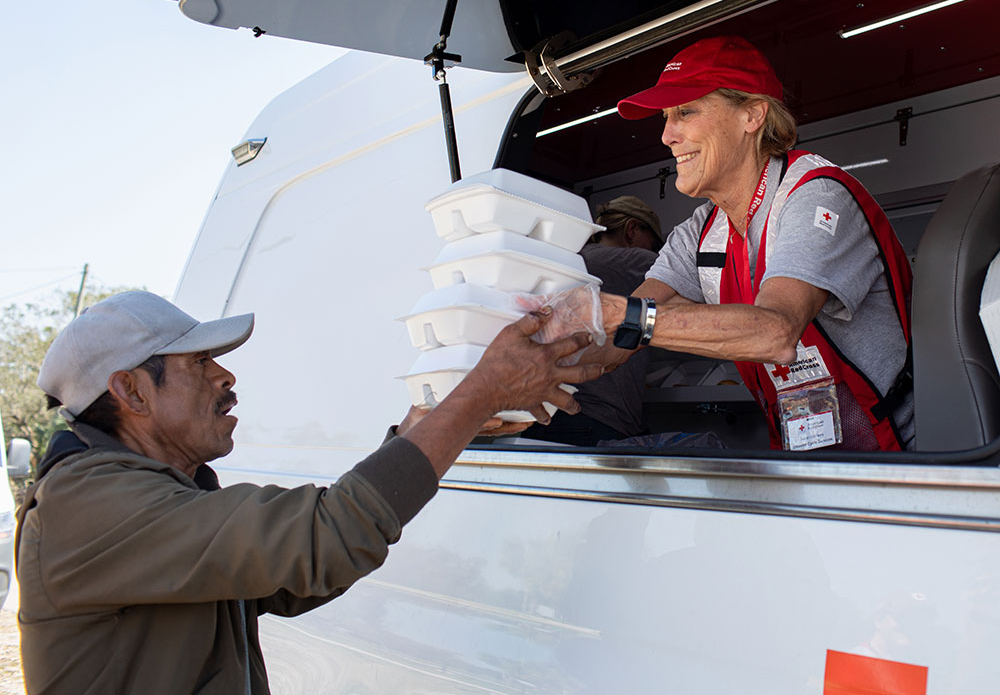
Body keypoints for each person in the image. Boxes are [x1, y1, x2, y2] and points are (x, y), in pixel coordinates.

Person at [16, 290, 600, 694]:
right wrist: (477, 395)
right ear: (132, 392)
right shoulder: (88, 505)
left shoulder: (156, 490)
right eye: (200, 363)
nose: (226, 376)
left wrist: (432, 424)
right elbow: (324, 538)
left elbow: (292, 576)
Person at [600, 35, 913, 451]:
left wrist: (623, 317)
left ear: (752, 115)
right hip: (803, 461)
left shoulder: (814, 195)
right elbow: (618, 338)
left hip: (901, 461)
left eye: (685, 112)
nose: (666, 136)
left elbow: (776, 333)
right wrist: (522, 374)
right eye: (665, 117)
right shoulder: (702, 227)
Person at [523, 196, 664, 445]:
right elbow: (697, 283)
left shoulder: (565, 262)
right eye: (653, 244)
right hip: (597, 420)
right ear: (632, 230)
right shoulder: (638, 262)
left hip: (545, 416)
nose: (655, 252)